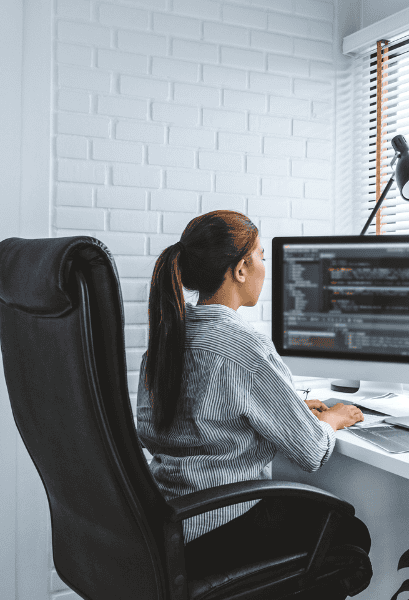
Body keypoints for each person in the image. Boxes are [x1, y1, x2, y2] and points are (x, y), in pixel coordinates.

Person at [136, 210, 371, 597]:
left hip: (168, 525)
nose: (266, 266)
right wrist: (332, 419)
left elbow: (181, 418)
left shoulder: (167, 338)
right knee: (348, 534)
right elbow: (311, 451)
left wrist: (290, 405)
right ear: (241, 269)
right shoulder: (244, 345)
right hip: (217, 526)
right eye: (261, 256)